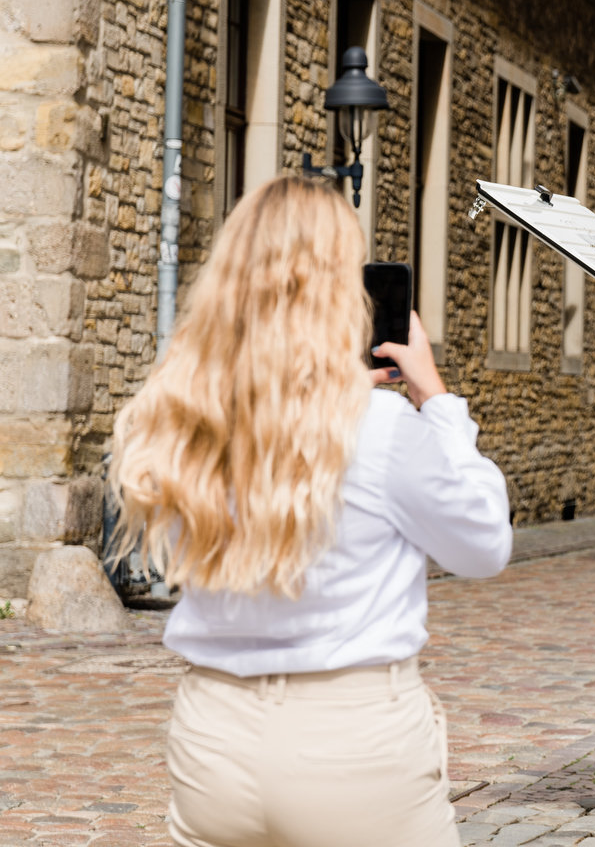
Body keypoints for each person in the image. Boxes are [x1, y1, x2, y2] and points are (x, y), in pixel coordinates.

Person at [109, 175, 512, 847]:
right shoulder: (378, 426)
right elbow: (483, 545)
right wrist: (435, 396)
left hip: (215, 734)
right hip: (351, 740)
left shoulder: (184, 416)